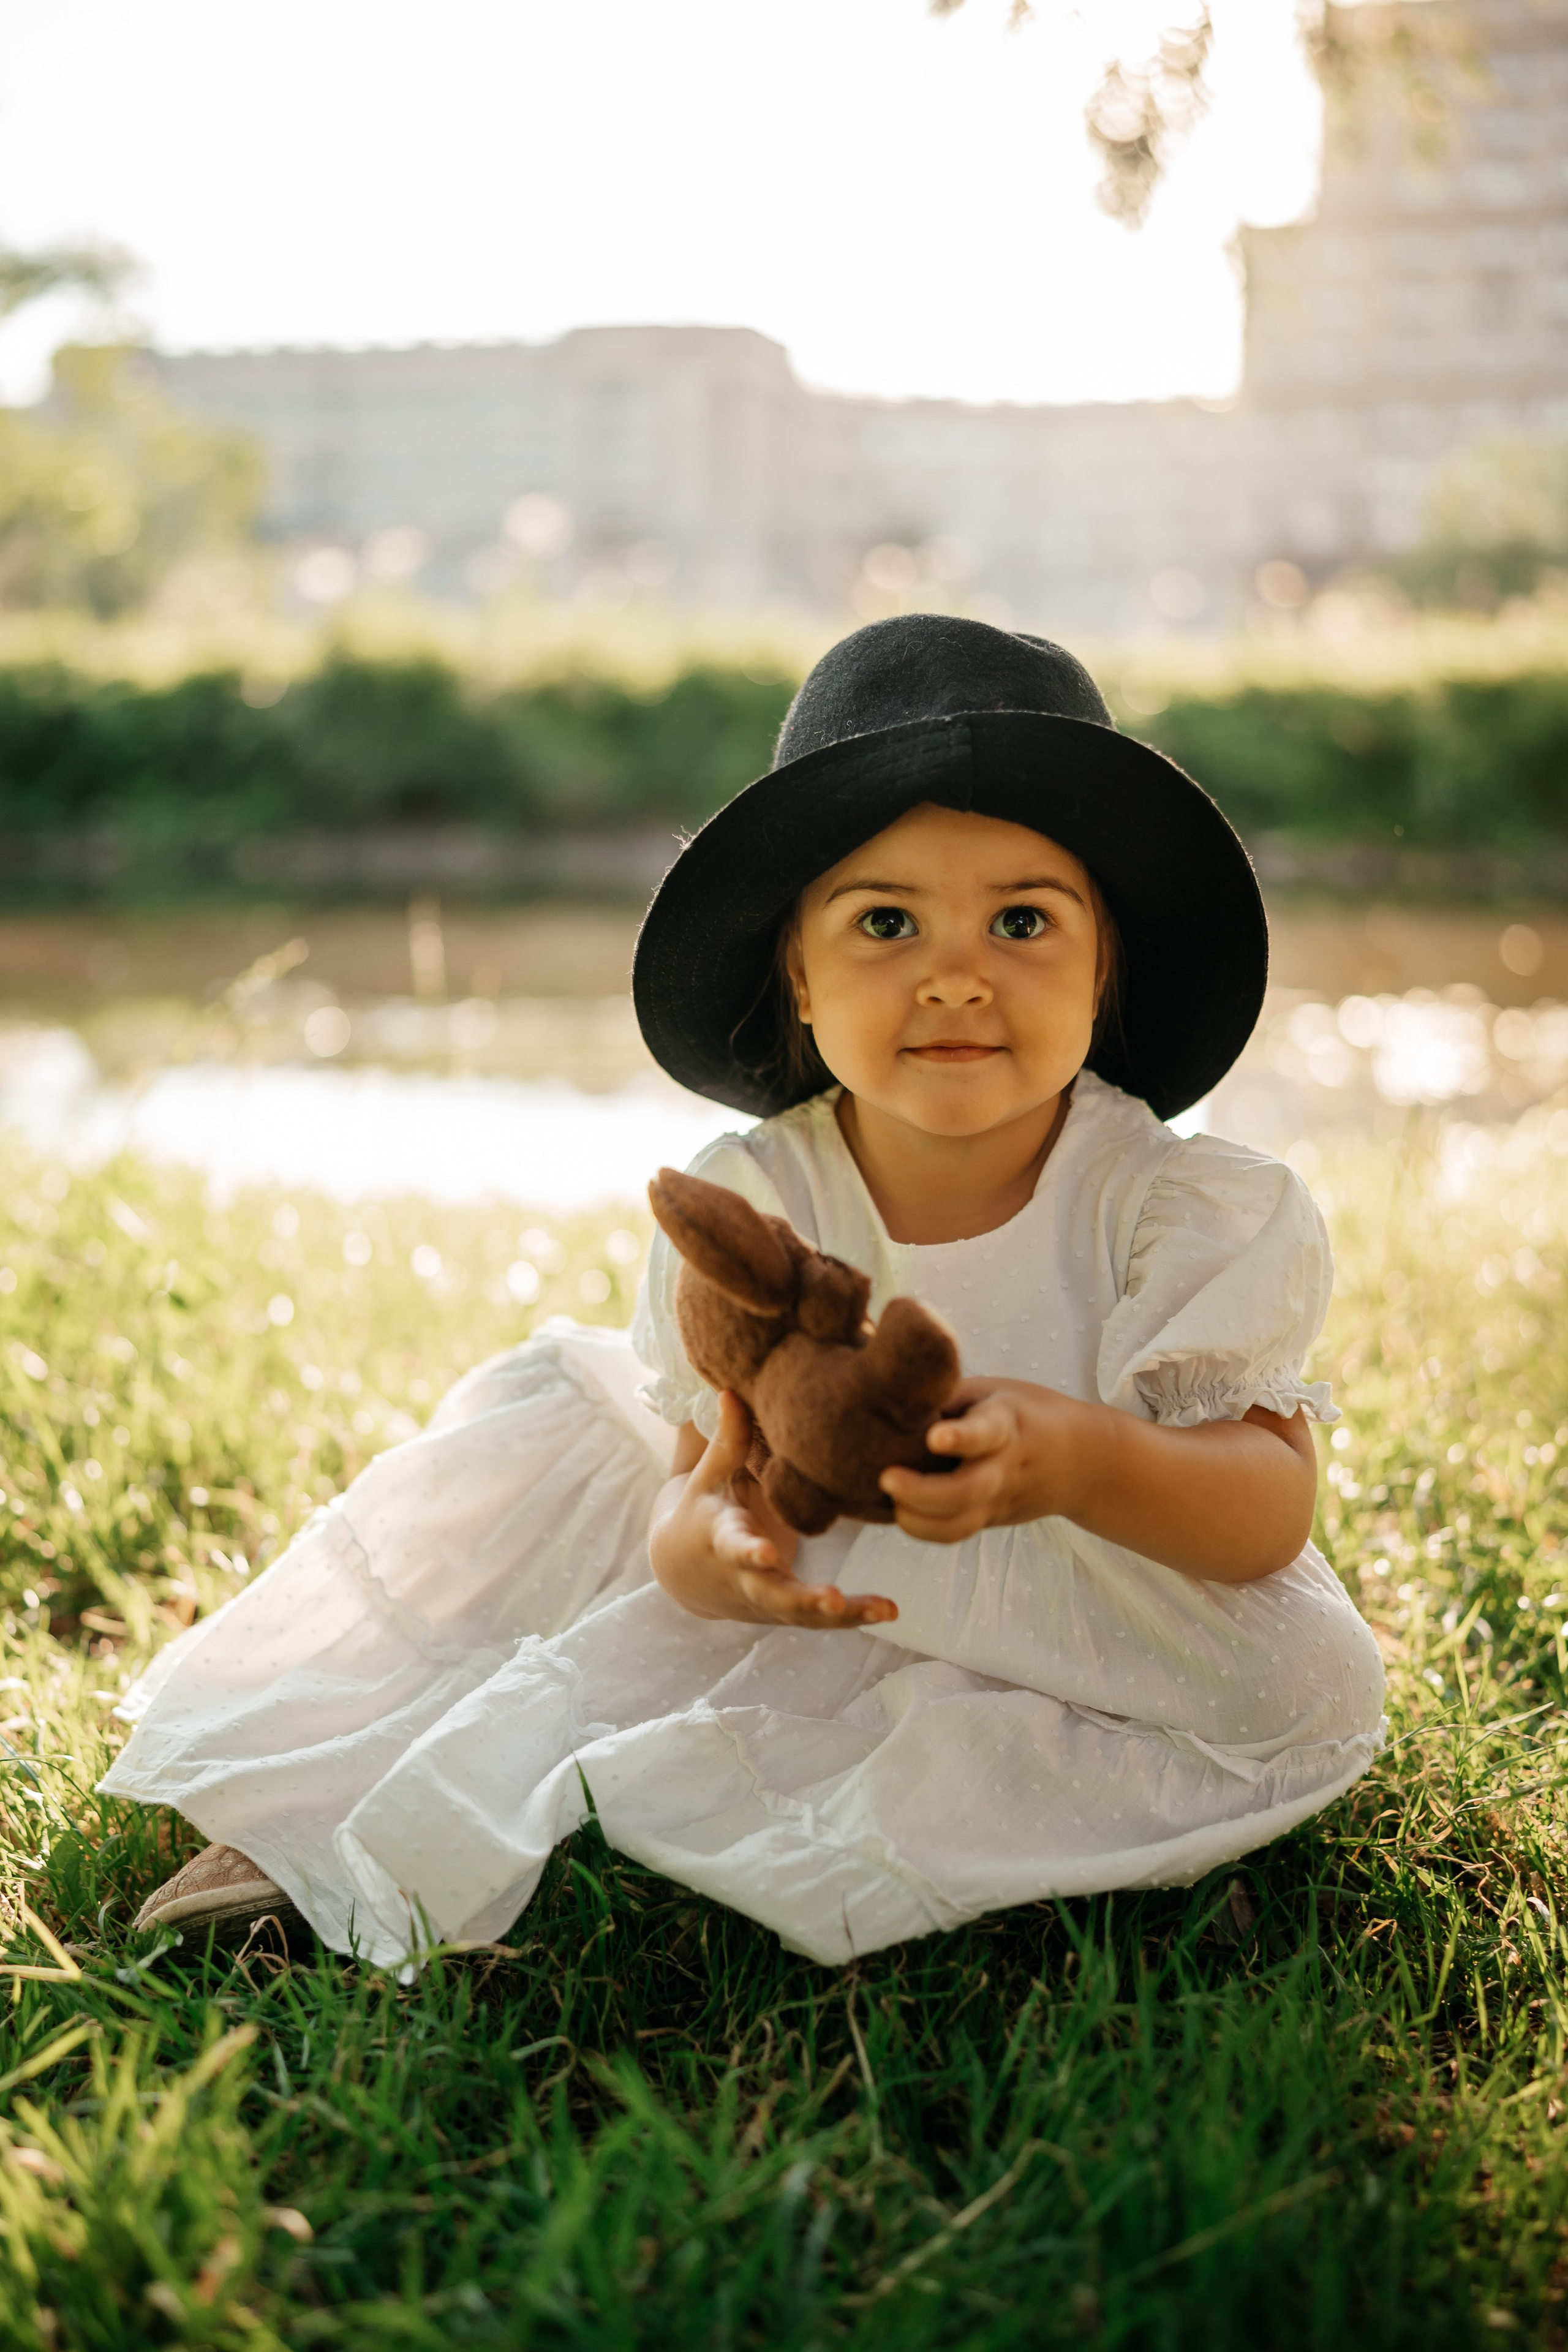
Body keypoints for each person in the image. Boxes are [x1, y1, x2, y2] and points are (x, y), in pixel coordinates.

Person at [109, 616, 1384, 1967]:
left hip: (1096, 1576)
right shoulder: (757, 1197)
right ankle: (331, 1824)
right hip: (833, 1558)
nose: (956, 972)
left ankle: (1055, 1823)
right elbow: (693, 1482)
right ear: (798, 971)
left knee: (1306, 1681)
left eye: (1021, 920)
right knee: (569, 1608)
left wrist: (1078, 1457)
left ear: (1102, 962)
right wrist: (706, 1561)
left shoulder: (1180, 1207)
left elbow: (1261, 1512)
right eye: (884, 923)